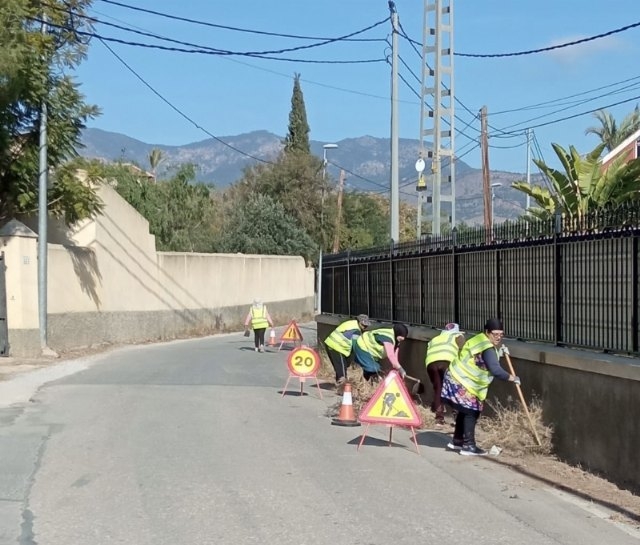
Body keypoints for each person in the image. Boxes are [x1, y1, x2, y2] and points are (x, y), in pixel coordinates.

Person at [441, 318, 520, 456]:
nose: (498, 337)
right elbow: (495, 370)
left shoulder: (479, 339)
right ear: (487, 332)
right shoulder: (487, 347)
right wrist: (513, 378)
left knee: (464, 410)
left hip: (456, 376)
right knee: (472, 412)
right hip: (463, 381)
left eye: (501, 334)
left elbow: (480, 359)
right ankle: (469, 446)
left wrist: (499, 353)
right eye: (495, 334)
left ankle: (457, 441)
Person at [425, 323, 465, 427]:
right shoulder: (456, 336)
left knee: (438, 389)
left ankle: (439, 419)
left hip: (431, 364)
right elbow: (463, 347)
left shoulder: (435, 338)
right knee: (453, 388)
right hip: (446, 362)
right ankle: (457, 417)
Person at [323, 314, 370, 391]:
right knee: (342, 370)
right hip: (338, 347)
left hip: (330, 343)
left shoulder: (351, 323)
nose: (364, 327)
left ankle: (339, 385)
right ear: (358, 322)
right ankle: (343, 389)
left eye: (366, 325)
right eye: (363, 325)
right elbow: (355, 346)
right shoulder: (356, 331)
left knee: (340, 367)